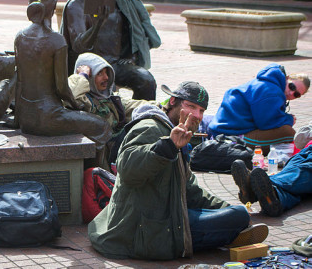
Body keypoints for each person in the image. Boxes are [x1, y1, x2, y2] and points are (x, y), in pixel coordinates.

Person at [88, 81, 268, 260]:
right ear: (173, 101)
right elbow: (127, 170)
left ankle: (230, 231)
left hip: (166, 214)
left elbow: (191, 191)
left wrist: (226, 208)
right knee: (238, 217)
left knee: (235, 212)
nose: (197, 115)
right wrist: (168, 146)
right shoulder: (151, 127)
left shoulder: (176, 134)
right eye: (191, 106)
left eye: (201, 111)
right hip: (143, 231)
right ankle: (229, 234)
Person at [14, 0, 112, 168]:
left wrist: (17, 120)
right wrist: (77, 105)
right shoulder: (56, 41)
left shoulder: (20, 37)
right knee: (101, 126)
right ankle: (94, 178)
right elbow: (61, 88)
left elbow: (19, 81)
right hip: (48, 119)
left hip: (27, 119)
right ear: (52, 8)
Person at [60, 0, 161, 100]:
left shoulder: (122, 0)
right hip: (89, 67)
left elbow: (131, 31)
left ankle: (141, 117)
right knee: (106, 95)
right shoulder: (76, 4)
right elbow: (78, 45)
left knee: (146, 80)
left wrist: (130, 55)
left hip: (115, 64)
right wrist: (97, 24)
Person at [67, 52, 149, 166]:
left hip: (114, 154)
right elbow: (72, 96)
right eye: (100, 73)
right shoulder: (84, 101)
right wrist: (82, 75)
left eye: (107, 72)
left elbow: (133, 105)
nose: (106, 77)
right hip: (99, 160)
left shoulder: (110, 98)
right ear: (89, 77)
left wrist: (161, 107)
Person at [209, 63, 309, 155]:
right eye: (291, 86)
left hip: (223, 130)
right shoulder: (272, 92)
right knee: (289, 133)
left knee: (287, 135)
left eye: (296, 94)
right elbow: (267, 123)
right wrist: (289, 119)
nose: (291, 93)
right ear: (287, 78)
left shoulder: (267, 82)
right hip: (229, 136)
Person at [231, 137, 312, 217]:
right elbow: (299, 140)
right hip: (306, 152)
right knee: (295, 177)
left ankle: (253, 189)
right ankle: (274, 199)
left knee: (302, 173)